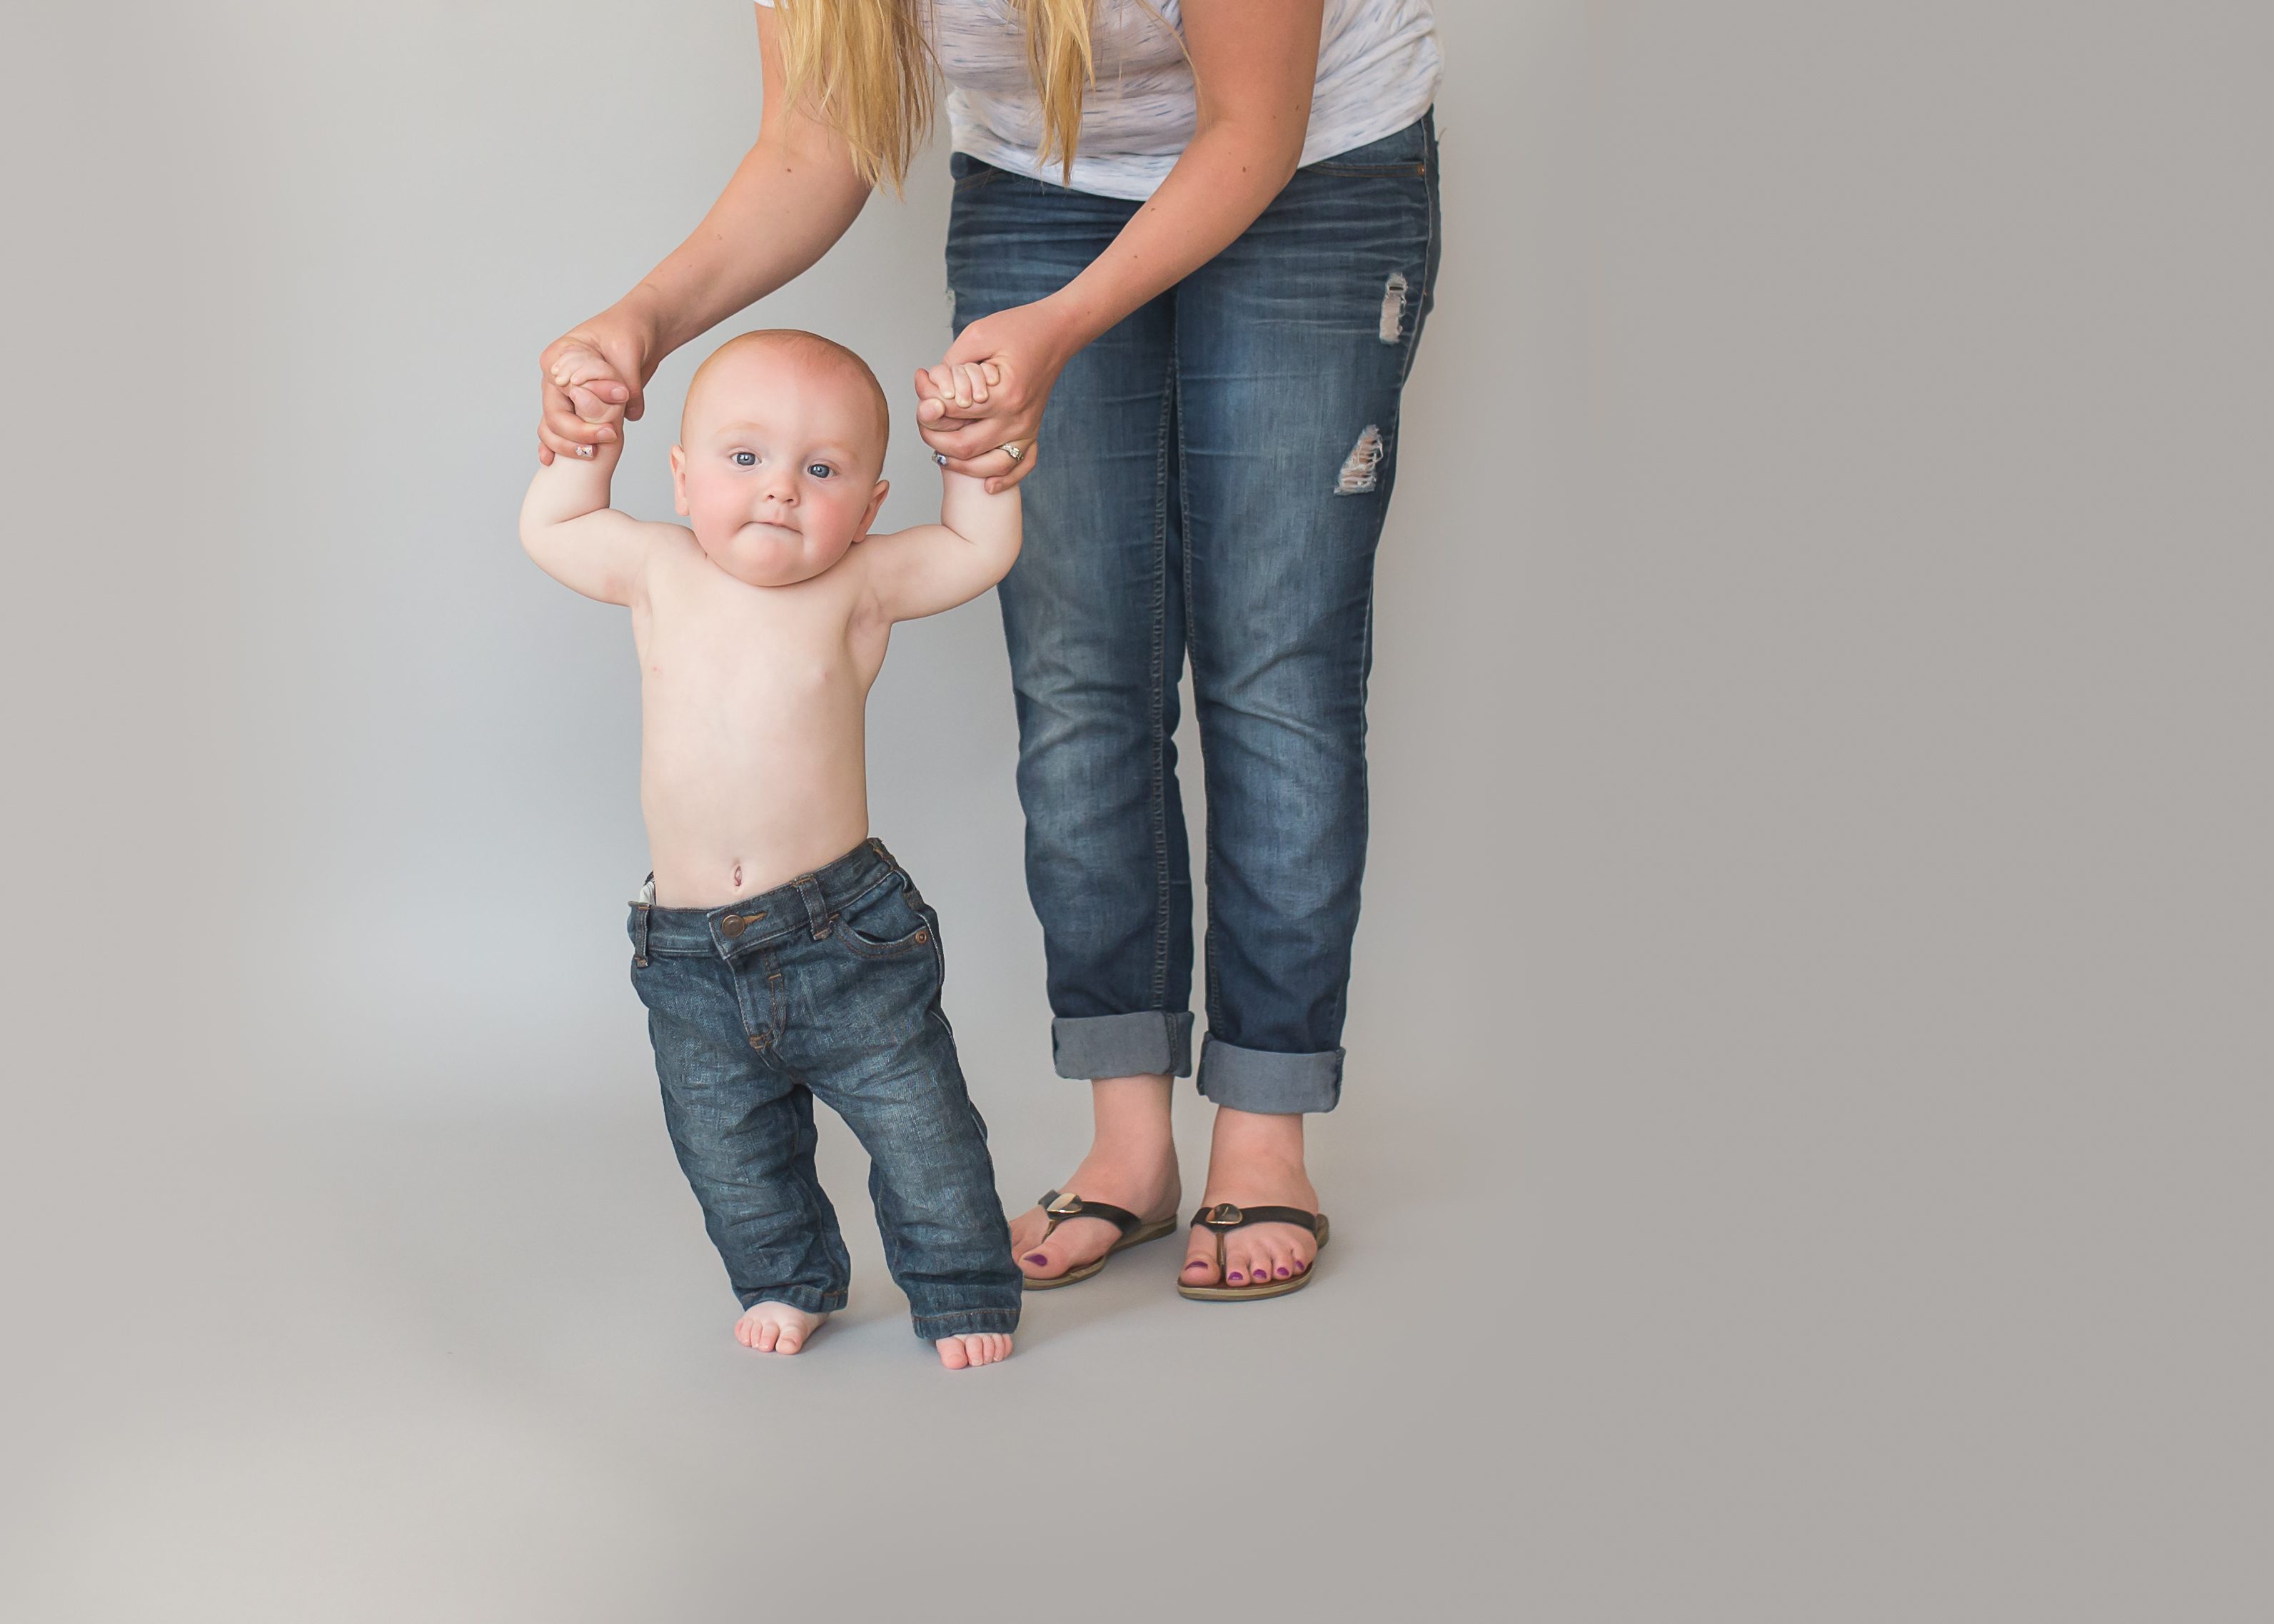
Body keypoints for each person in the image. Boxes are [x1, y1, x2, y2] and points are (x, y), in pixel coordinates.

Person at [538, 0, 1442, 1301]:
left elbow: (1252, 127)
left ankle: (1263, 1136)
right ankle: (1128, 1150)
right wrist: (641, 323)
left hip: (1310, 166)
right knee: (1080, 680)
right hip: (1045, 183)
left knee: (1275, 675)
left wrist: (1060, 327)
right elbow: (815, 142)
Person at [520, 328, 1025, 1367]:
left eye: (821, 469)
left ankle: (962, 1287)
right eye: (743, 459)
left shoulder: (860, 584)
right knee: (729, 1149)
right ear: (682, 475)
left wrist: (972, 452)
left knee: (922, 1134)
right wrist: (587, 432)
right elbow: (556, 526)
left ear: (872, 505)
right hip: (690, 955)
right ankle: (787, 1278)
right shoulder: (658, 566)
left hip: (844, 938)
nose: (781, 491)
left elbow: (979, 549)